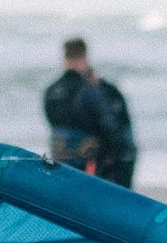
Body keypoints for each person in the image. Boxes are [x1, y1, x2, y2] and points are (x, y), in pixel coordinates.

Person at [42, 37, 137, 188]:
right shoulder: (91, 90)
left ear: (64, 58)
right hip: (89, 164)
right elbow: (110, 128)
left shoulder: (50, 91)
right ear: (84, 57)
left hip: (60, 159)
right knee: (124, 149)